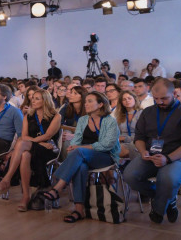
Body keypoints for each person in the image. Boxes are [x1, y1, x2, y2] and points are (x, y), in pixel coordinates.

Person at [38, 92, 120, 223]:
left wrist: (82, 148)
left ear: (100, 104)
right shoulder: (83, 120)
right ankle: (79, 209)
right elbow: (75, 142)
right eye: (85, 101)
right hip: (83, 156)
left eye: (89, 101)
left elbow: (107, 145)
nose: (85, 104)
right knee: (80, 166)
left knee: (80, 152)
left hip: (106, 156)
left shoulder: (110, 121)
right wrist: (73, 147)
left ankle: (58, 187)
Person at [124, 78, 181, 223]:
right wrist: (142, 152)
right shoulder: (148, 112)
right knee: (129, 175)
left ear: (174, 94)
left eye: (164, 99)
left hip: (178, 157)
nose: (159, 102)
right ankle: (167, 198)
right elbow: (139, 137)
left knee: (168, 178)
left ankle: (159, 210)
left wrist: (168, 158)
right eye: (156, 98)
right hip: (151, 155)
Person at [0, 89, 61, 210]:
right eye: (32, 98)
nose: (33, 101)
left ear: (45, 101)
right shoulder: (28, 115)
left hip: (49, 149)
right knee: (25, 155)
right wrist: (39, 143)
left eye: (37, 98)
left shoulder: (56, 115)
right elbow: (24, 135)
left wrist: (41, 143)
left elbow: (48, 136)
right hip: (32, 146)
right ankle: (25, 196)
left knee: (21, 144)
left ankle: (7, 179)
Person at [114, 90, 142, 160]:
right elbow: (117, 133)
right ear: (121, 102)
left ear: (135, 99)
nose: (127, 101)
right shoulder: (120, 116)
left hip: (137, 142)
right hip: (121, 143)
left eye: (129, 98)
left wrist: (125, 138)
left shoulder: (142, 113)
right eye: (124, 99)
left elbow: (143, 134)